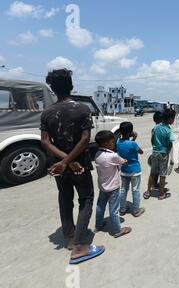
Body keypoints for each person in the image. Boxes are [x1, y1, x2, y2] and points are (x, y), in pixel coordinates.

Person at [40, 69, 105, 265]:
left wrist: (62, 161)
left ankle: (69, 237)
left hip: (59, 167)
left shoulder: (47, 112)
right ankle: (78, 247)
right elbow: (85, 139)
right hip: (79, 165)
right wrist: (69, 160)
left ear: (52, 88)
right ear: (71, 86)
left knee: (64, 198)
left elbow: (45, 141)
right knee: (85, 199)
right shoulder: (82, 109)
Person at [94, 131, 132, 238]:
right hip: (113, 187)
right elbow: (123, 161)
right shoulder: (112, 155)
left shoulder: (97, 154)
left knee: (100, 206)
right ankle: (117, 230)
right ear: (106, 143)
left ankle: (98, 225)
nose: (114, 143)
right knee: (114, 209)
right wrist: (125, 160)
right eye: (112, 141)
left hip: (102, 187)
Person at [117, 122, 145, 217]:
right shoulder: (133, 143)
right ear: (130, 132)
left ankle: (122, 209)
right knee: (135, 190)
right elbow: (141, 152)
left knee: (123, 190)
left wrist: (132, 138)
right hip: (134, 170)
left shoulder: (117, 142)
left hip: (124, 170)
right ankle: (136, 210)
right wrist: (134, 139)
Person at [147, 109, 176, 200]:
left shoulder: (156, 127)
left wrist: (155, 147)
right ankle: (161, 193)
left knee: (152, 173)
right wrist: (168, 152)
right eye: (173, 119)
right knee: (162, 174)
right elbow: (170, 143)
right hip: (163, 154)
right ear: (170, 119)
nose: (173, 120)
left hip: (155, 152)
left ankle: (148, 191)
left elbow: (152, 139)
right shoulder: (168, 130)